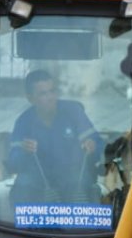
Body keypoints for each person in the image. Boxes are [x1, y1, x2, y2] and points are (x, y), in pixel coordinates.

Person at [8, 69, 104, 207]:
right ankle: (26, 227)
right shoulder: (23, 122)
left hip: (72, 175)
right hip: (39, 182)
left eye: (52, 91)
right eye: (43, 94)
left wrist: (92, 145)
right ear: (30, 98)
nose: (50, 97)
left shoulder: (74, 112)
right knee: (22, 185)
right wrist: (24, 151)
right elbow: (13, 162)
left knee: (83, 182)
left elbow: (98, 144)